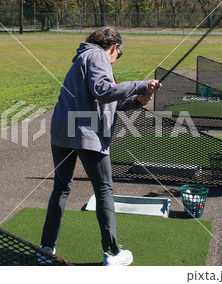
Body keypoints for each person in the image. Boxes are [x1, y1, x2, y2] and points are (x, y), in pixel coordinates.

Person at [39, 27, 161, 266]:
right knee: (104, 189)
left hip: (63, 131)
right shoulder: (97, 56)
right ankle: (113, 253)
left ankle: (46, 249)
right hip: (85, 132)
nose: (116, 58)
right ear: (114, 47)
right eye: (119, 54)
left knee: (61, 189)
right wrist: (140, 85)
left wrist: (138, 99)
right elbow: (104, 91)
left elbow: (109, 100)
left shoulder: (84, 57)